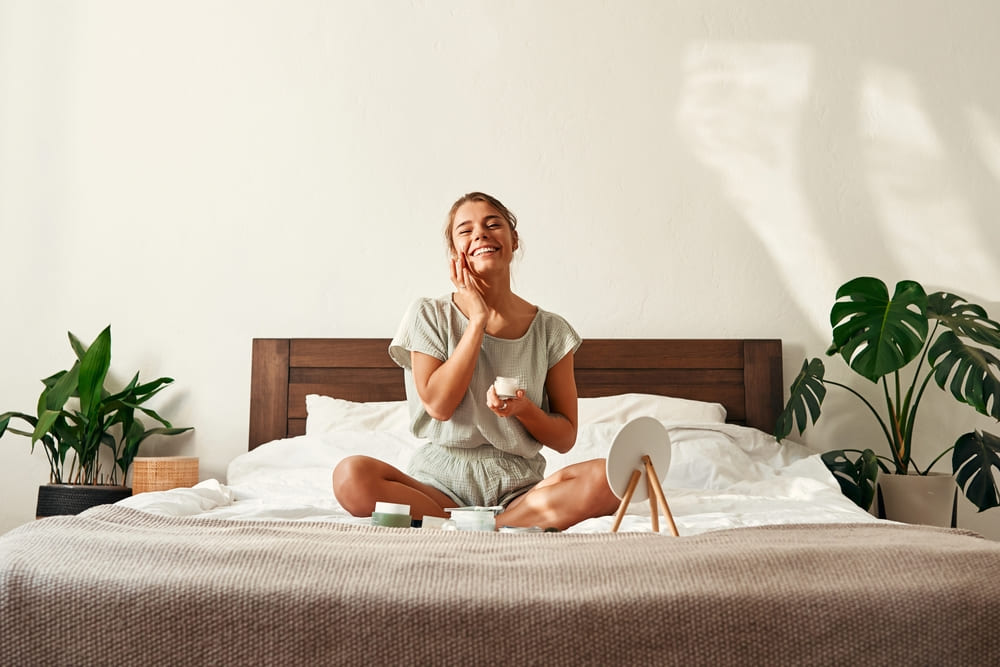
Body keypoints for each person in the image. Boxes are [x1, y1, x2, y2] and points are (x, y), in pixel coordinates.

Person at [333, 192, 619, 530]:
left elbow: (565, 437)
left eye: (492, 224)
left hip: (521, 490)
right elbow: (439, 406)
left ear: (513, 240)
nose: (480, 234)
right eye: (465, 230)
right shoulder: (428, 314)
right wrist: (477, 321)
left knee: (612, 477)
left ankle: (482, 526)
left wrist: (523, 409)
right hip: (438, 488)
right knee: (350, 476)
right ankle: (497, 525)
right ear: (455, 253)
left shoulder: (551, 331)